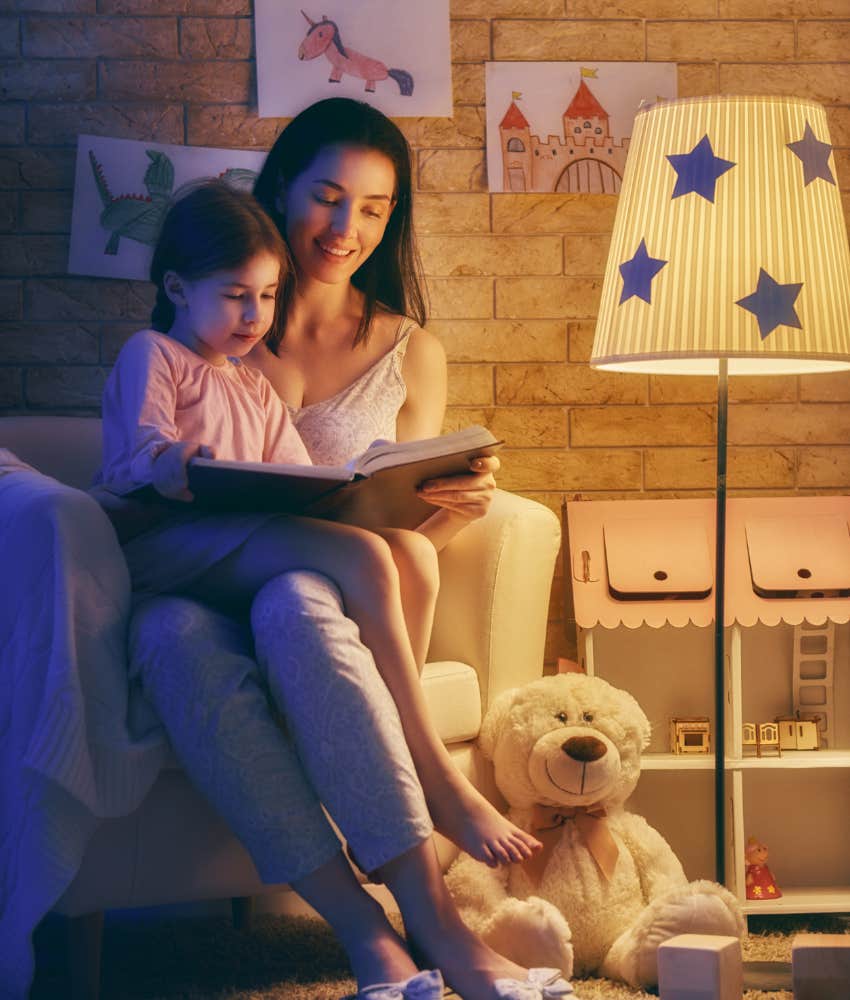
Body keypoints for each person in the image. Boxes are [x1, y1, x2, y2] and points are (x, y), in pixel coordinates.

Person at [101, 176, 566, 999]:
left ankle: (413, 923)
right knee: (359, 561)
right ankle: (432, 781)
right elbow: (135, 461)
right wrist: (198, 470)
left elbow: (293, 471)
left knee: (359, 558)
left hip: (246, 566)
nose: (254, 316)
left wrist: (347, 492)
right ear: (176, 287)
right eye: (236, 296)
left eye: (267, 298)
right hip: (175, 556)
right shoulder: (155, 356)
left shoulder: (253, 383)